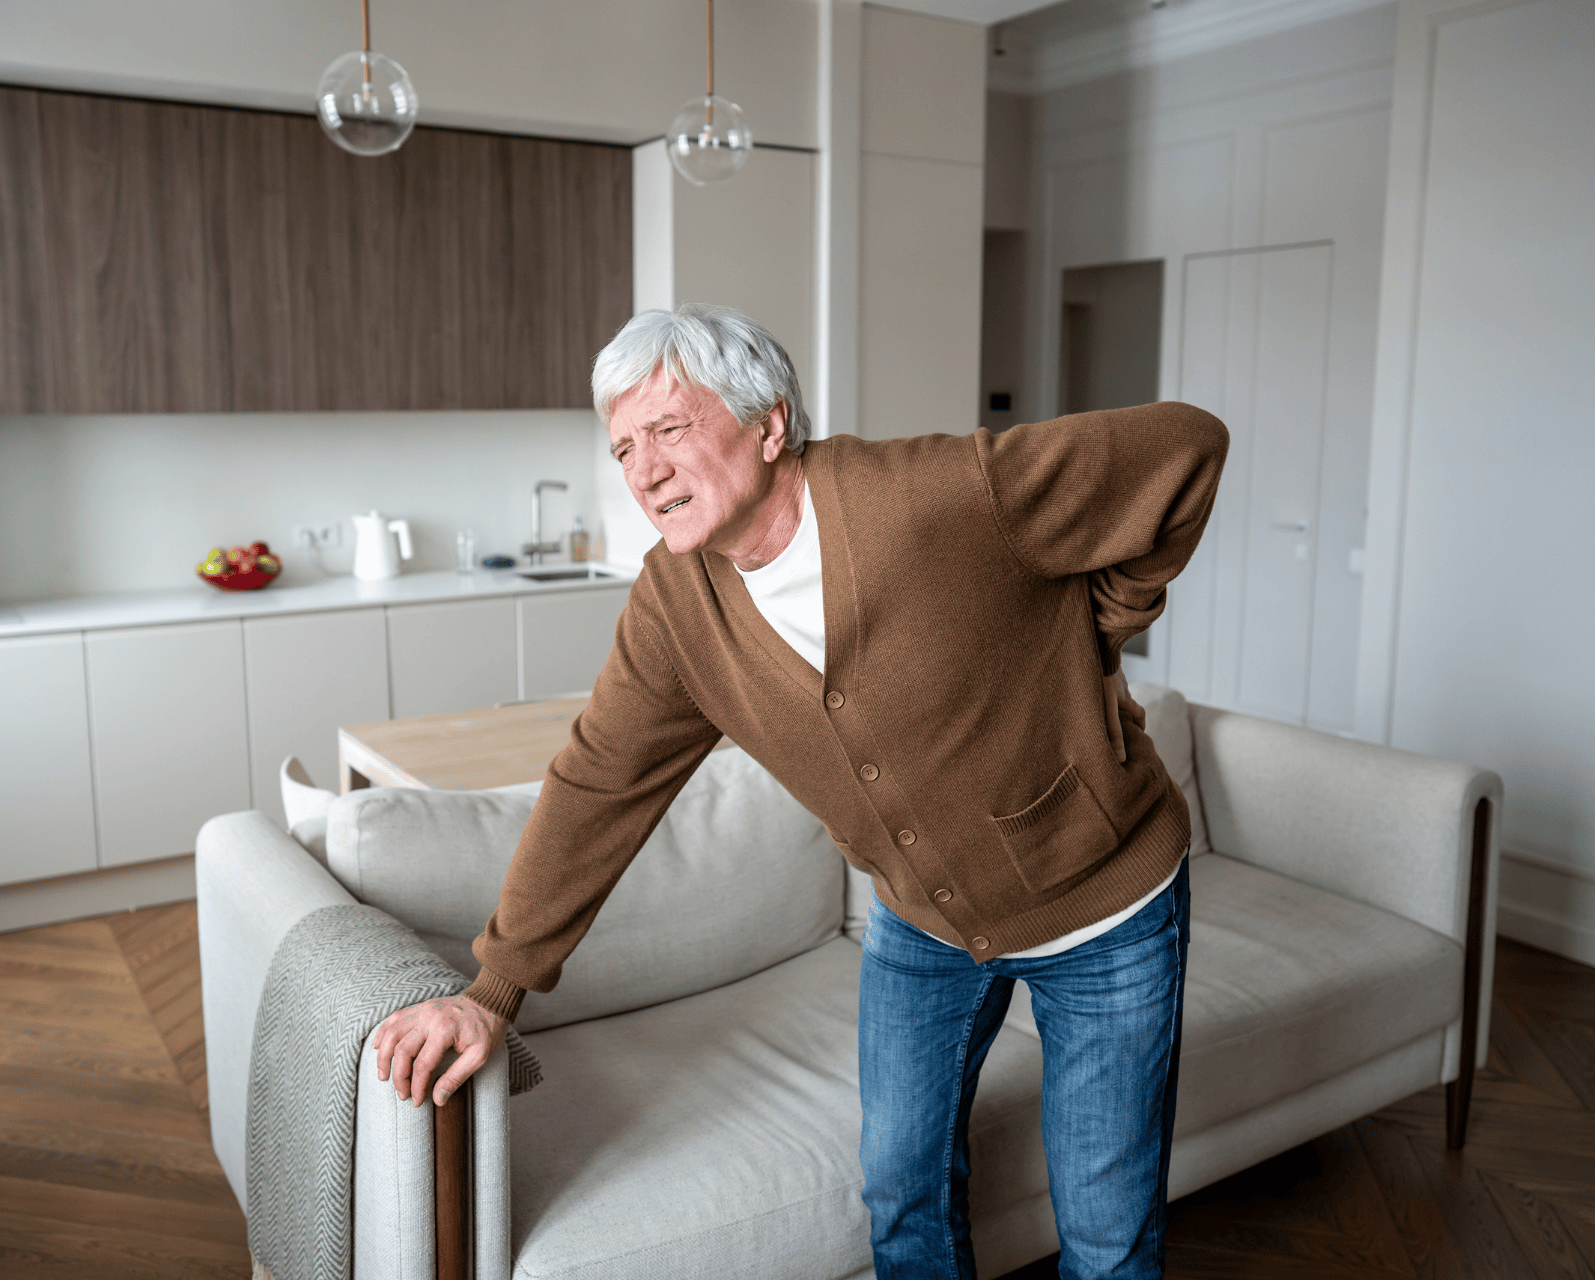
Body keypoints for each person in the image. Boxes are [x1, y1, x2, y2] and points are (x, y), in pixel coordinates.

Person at [371, 303, 1228, 1279]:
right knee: (901, 1195)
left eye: (668, 428)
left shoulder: (939, 497)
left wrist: (1099, 625)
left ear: (770, 424)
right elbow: (598, 783)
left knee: (1108, 1237)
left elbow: (1185, 447)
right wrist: (493, 992)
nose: (643, 470)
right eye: (623, 447)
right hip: (924, 921)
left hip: (1106, 906)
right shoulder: (677, 606)